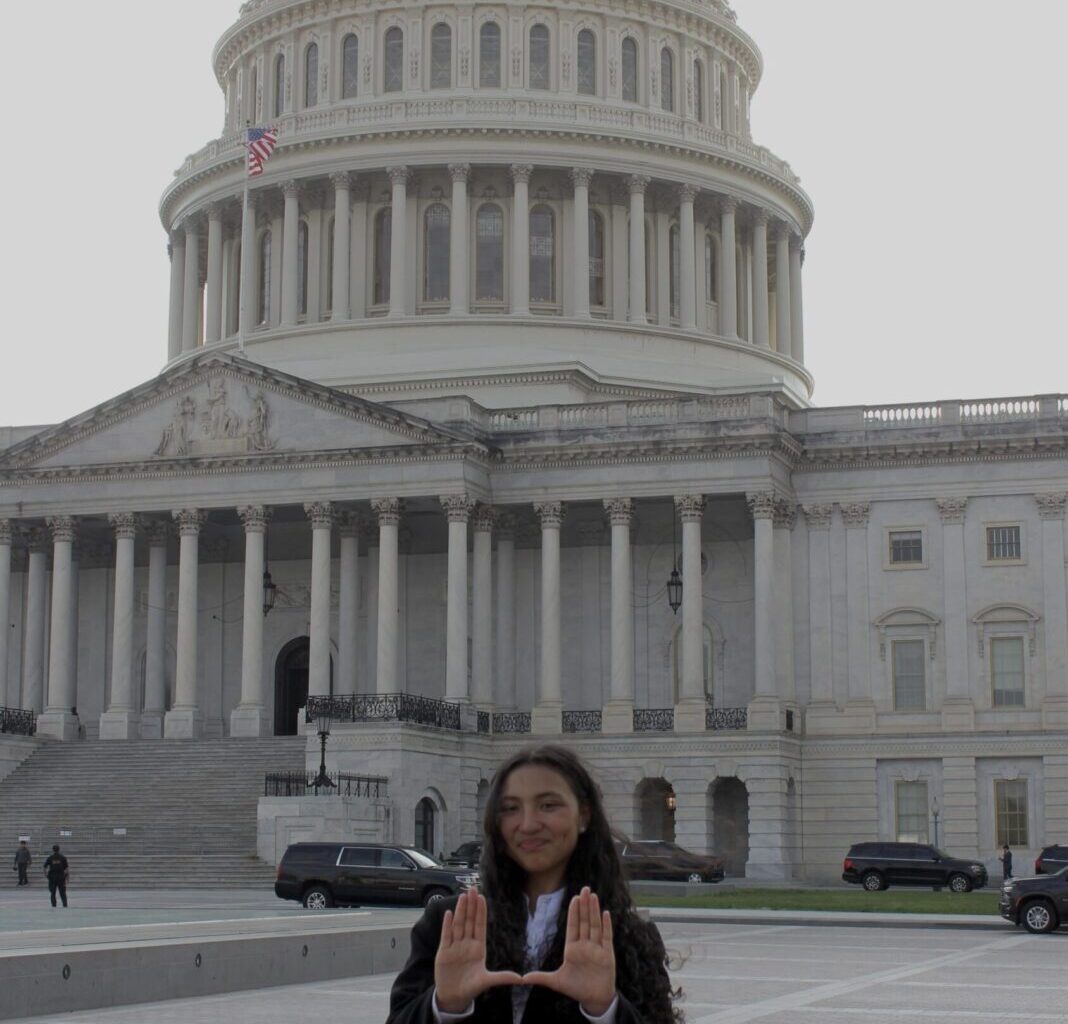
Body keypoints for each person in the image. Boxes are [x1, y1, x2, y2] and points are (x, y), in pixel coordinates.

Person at [387, 745, 680, 1024]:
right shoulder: (450, 924)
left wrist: (604, 1010)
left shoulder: (623, 936)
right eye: (511, 808)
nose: (527, 824)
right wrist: (444, 1005)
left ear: (584, 816)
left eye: (548, 805)